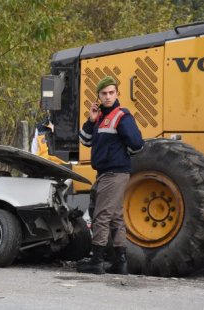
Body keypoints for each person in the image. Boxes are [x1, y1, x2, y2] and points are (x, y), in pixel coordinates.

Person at [77, 76, 144, 274]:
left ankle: (97, 261)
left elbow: (137, 144)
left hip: (114, 172)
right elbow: (85, 141)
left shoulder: (121, 115)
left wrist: (121, 156)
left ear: (117, 94)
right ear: (98, 95)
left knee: (101, 215)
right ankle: (120, 262)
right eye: (104, 93)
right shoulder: (98, 118)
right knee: (115, 217)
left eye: (111, 93)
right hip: (106, 173)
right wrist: (90, 120)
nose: (107, 97)